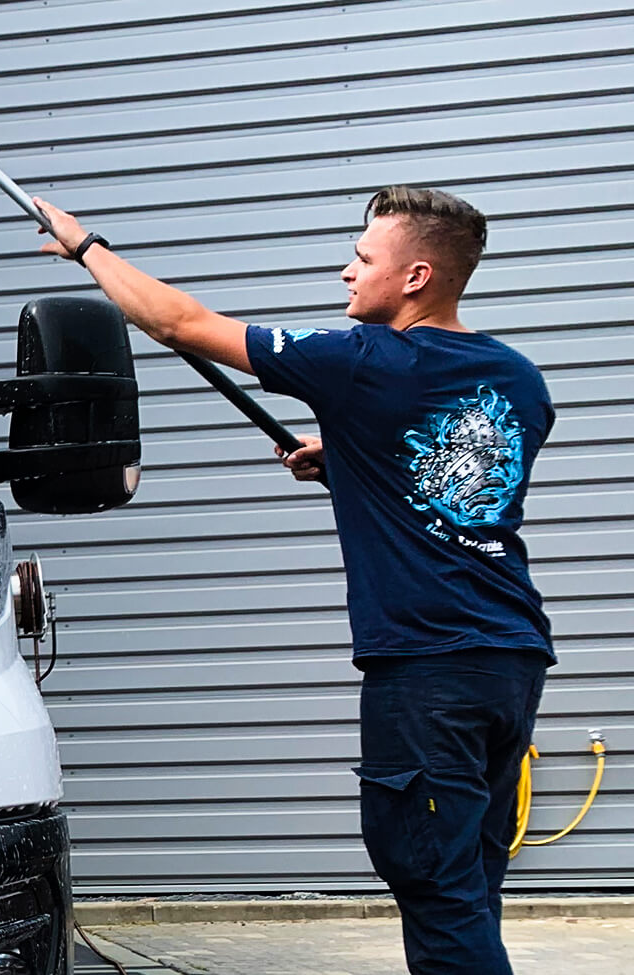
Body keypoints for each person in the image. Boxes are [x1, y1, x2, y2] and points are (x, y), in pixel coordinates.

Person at [30, 187, 554, 975]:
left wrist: (85, 247)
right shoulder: (519, 378)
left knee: (437, 890)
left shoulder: (363, 362)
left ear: (415, 276)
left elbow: (180, 324)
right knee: (471, 887)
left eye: (363, 257)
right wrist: (348, 457)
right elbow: (453, 479)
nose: (347, 271)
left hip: (426, 668)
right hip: (511, 663)